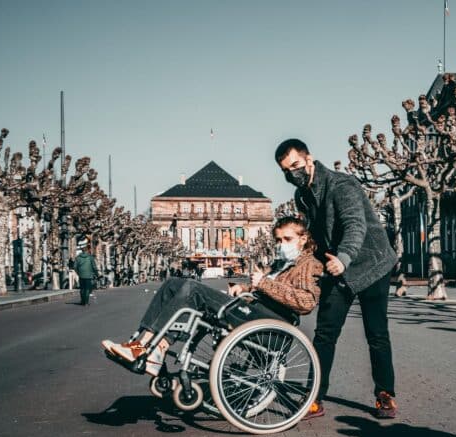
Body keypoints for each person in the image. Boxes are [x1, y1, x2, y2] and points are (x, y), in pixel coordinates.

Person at [102, 216, 323, 378]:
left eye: (287, 239)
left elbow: (306, 302)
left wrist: (264, 283)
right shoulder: (281, 264)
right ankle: (141, 343)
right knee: (172, 284)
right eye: (278, 240)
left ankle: (155, 349)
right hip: (254, 313)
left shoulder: (309, 264)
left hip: (270, 325)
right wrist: (244, 290)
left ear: (303, 239)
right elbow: (267, 291)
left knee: (192, 289)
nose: (281, 245)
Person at [275, 138, 399, 420]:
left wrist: (344, 258)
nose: (291, 173)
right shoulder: (302, 197)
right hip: (335, 266)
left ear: (309, 159)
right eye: (285, 171)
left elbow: (355, 225)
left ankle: (385, 395)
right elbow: (316, 237)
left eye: (295, 165)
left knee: (376, 333)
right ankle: (315, 396)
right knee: (325, 333)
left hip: (371, 263)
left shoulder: (342, 185)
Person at [74, 238, 99, 306]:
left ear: (82, 251)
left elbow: (75, 267)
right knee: (87, 288)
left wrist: (78, 273)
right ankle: (86, 302)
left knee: (82, 288)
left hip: (81, 275)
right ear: (87, 250)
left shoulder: (78, 258)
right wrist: (97, 274)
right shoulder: (90, 257)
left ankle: (82, 301)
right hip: (89, 275)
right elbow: (94, 267)